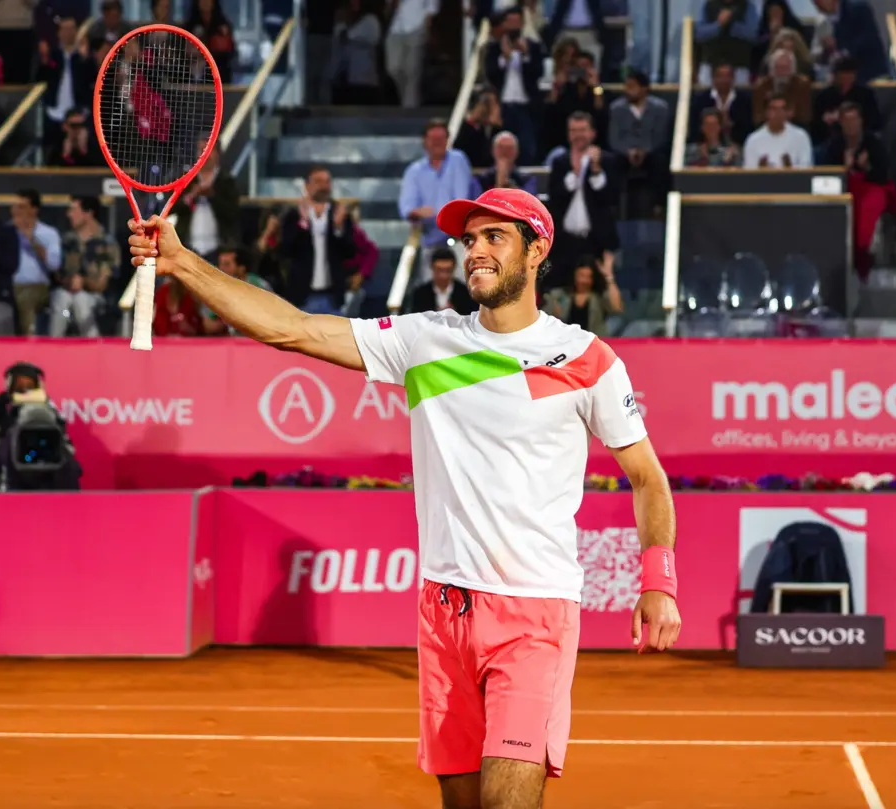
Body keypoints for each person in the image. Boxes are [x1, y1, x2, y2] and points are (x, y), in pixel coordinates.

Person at [125, 187, 681, 809]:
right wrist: (181, 262)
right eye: (469, 240)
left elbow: (647, 477)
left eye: (494, 237)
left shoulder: (587, 359)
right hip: (443, 610)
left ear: (537, 249)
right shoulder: (425, 340)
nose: (475, 252)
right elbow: (295, 329)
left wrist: (657, 581)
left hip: (537, 613)